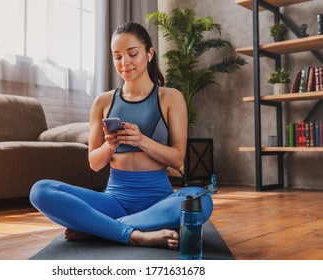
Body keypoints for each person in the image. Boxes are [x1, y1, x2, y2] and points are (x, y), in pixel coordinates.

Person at [30, 22, 214, 250]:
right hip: (114, 200)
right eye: (117, 56)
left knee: (200, 199)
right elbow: (94, 163)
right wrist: (109, 146)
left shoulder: (170, 97)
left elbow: (177, 159)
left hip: (159, 201)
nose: (124, 62)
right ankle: (136, 234)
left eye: (132, 54)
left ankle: (101, 228)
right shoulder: (103, 101)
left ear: (149, 54)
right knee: (40, 190)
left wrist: (141, 140)